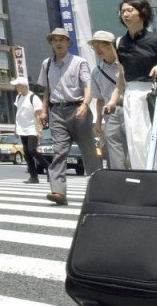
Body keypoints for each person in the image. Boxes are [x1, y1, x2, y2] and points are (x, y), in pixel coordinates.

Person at [37, 27, 101, 206]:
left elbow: (88, 87)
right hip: (56, 111)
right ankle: (58, 191)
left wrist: (85, 104)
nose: (58, 42)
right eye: (54, 39)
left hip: (78, 109)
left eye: (61, 39)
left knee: (89, 152)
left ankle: (99, 189)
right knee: (59, 151)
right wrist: (43, 111)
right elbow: (46, 91)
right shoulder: (46, 64)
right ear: (51, 42)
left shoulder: (79, 62)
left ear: (68, 43)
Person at [116, 0, 157, 171]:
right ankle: (143, 179)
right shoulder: (119, 43)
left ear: (142, 13)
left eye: (130, 10)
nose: (125, 14)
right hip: (131, 95)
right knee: (135, 141)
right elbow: (122, 73)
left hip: (155, 94)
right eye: (122, 11)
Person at [87, 31, 129, 170]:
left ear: (112, 45)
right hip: (109, 112)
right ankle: (120, 179)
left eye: (101, 45)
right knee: (114, 149)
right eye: (94, 46)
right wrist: (98, 121)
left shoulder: (126, 64)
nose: (98, 49)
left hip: (130, 107)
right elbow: (99, 99)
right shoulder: (97, 71)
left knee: (135, 144)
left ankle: (138, 175)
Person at [12, 77, 47, 183]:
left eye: (17, 85)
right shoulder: (18, 97)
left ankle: (49, 168)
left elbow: (38, 115)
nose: (16, 87)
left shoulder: (33, 97)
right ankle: (33, 177)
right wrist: (16, 128)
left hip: (32, 128)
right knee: (27, 153)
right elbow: (18, 114)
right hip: (22, 128)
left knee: (32, 150)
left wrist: (39, 130)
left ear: (23, 86)